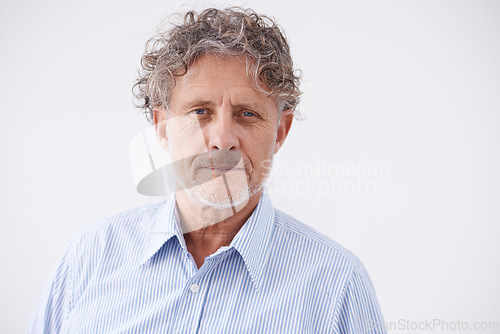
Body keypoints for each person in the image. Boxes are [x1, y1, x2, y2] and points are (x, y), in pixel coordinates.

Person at [27, 7, 385, 333]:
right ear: (163, 127)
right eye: (200, 111)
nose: (223, 140)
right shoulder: (90, 257)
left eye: (247, 113)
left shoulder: (338, 285)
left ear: (280, 132)